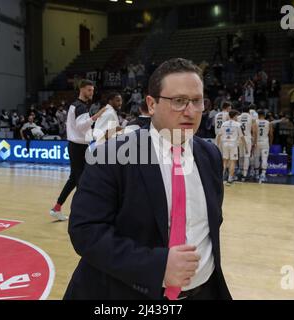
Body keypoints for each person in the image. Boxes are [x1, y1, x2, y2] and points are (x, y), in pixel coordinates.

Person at [64, 58, 232, 300]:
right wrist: (157, 266)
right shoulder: (112, 156)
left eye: (197, 101)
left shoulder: (210, 155)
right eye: (178, 101)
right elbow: (85, 232)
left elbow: (209, 224)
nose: (190, 111)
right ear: (151, 105)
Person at [49, 80, 107, 221]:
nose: (91, 93)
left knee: (74, 180)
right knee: (82, 181)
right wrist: (96, 116)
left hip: (78, 146)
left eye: (92, 90)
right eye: (89, 90)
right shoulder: (80, 107)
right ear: (81, 89)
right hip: (78, 147)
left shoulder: (76, 106)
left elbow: (81, 128)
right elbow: (81, 127)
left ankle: (57, 208)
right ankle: (83, 213)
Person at [217, 110, 246, 186]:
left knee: (225, 162)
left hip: (224, 143)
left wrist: (217, 144)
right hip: (233, 144)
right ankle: (230, 179)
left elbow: (219, 135)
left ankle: (221, 179)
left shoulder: (224, 124)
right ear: (235, 116)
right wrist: (245, 146)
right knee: (233, 162)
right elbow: (242, 137)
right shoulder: (237, 124)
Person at [238, 105, 257, 182]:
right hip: (247, 138)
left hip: (240, 138)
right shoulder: (251, 118)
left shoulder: (238, 117)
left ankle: (240, 171)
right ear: (249, 111)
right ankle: (244, 175)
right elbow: (254, 131)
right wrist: (254, 141)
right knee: (246, 156)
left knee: (241, 156)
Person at [254, 110, 274, 184]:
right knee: (264, 158)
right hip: (265, 142)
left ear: (258, 115)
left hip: (257, 142)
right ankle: (263, 174)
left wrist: (254, 142)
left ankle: (256, 174)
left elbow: (254, 133)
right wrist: (271, 143)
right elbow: (271, 134)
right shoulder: (268, 123)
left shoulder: (255, 122)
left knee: (256, 158)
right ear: (264, 115)